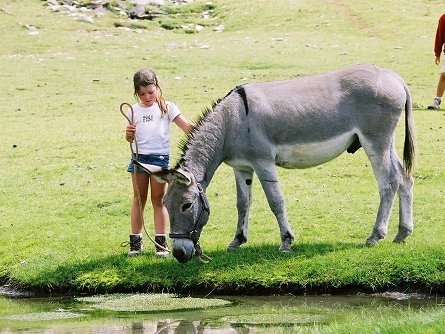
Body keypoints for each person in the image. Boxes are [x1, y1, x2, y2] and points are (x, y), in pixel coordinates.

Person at [124, 69, 194, 257]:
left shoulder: (168, 107)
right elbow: (130, 139)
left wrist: (207, 133)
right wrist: (128, 135)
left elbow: (187, 127)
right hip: (139, 160)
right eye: (142, 94)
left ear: (157, 87)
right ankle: (135, 243)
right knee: (139, 200)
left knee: (158, 200)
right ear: (136, 93)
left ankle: (160, 243)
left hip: (159, 160)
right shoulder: (133, 110)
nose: (147, 97)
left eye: (151, 92)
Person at [428, 13, 445, 110]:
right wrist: (437, 53)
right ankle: (437, 100)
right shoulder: (444, 18)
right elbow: (440, 36)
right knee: (444, 75)